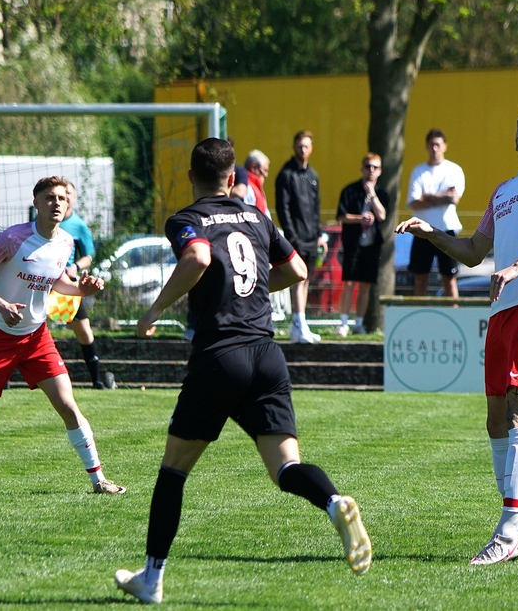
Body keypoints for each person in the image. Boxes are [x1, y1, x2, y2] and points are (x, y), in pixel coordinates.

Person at [114, 138, 371, 604]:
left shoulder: (186, 219)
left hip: (220, 356)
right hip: (266, 356)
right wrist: (247, 291)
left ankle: (151, 578)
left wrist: (154, 310)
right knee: (286, 467)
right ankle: (334, 503)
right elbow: (297, 270)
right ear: (233, 178)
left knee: (173, 470)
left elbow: (198, 257)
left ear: (191, 177)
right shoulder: (256, 217)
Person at [396, 105, 518, 565]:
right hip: (502, 311)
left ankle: (507, 532)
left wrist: (515, 267)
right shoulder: (502, 190)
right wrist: (431, 233)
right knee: (496, 420)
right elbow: (475, 251)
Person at [0, 176, 125, 496]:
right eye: (49, 197)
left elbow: (57, 281)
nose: (57, 203)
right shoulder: (13, 238)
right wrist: (1, 304)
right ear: (36, 203)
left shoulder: (65, 241)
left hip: (37, 338)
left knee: (68, 406)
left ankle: (99, 480)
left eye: (62, 198)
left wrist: (81, 290)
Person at [59, 181, 116, 389]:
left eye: (68, 193)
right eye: (60, 193)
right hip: (41, 284)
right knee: (31, 328)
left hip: (66, 286)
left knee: (83, 330)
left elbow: (88, 257)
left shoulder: (78, 225)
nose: (64, 197)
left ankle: (97, 380)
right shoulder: (43, 222)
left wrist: (74, 266)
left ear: (73, 198)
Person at [275, 130, 326, 343]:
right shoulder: (286, 174)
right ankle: (298, 323)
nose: (303, 150)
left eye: (306, 146)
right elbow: (283, 206)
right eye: (299, 146)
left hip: (312, 237)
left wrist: (319, 234)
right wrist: (291, 235)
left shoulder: (313, 175)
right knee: (298, 278)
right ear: (294, 147)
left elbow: (316, 207)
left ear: (311, 148)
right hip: (296, 236)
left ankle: (301, 323)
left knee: (307, 279)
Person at [406, 129, 466, 298]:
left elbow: (453, 199)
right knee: (420, 278)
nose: (434, 148)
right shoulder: (419, 171)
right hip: (421, 231)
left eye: (438, 145)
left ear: (444, 146)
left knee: (449, 279)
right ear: (426, 146)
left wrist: (429, 196)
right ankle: (418, 313)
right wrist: (442, 198)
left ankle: (454, 312)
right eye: (431, 145)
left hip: (446, 230)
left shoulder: (454, 170)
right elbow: (414, 202)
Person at [336, 153, 389, 337]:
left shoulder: (382, 193)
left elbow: (382, 215)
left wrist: (372, 195)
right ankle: (343, 323)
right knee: (349, 282)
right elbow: (342, 216)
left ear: (380, 171)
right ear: (362, 168)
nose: (371, 170)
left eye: (375, 167)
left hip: (372, 245)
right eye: (368, 166)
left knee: (365, 285)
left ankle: (359, 324)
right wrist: (360, 219)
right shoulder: (350, 190)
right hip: (353, 243)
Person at [244, 150, 271, 216]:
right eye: (265, 170)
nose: (266, 175)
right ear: (253, 167)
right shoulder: (247, 188)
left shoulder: (255, 187)